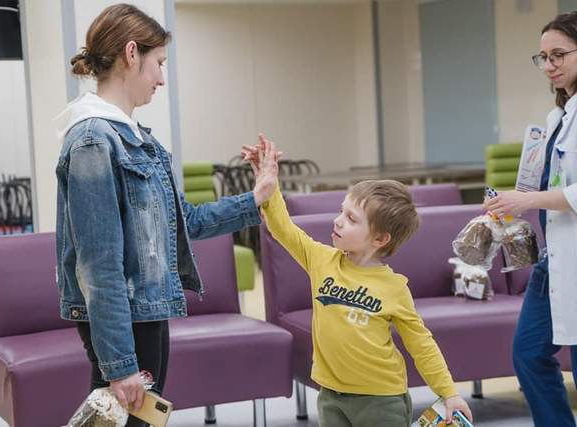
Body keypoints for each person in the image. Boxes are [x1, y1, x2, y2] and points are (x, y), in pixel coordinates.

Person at [53, 5, 274, 426]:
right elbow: (99, 265)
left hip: (146, 312)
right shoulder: (93, 142)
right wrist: (120, 364)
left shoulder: (140, 141)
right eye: (159, 63)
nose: (161, 78)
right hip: (127, 321)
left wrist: (255, 199)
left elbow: (183, 221)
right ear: (131, 54)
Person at [247, 136, 473, 426]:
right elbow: (282, 228)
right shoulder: (321, 259)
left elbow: (421, 344)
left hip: (382, 401)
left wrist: (449, 393)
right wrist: (269, 185)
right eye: (341, 212)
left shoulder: (394, 287)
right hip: (330, 395)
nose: (338, 221)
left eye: (351, 219)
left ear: (380, 239)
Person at [485, 11, 577, 427]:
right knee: (528, 353)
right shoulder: (557, 118)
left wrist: (527, 200)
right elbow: (546, 183)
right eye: (543, 58)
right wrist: (509, 202)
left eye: (559, 55)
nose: (549, 65)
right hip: (553, 260)